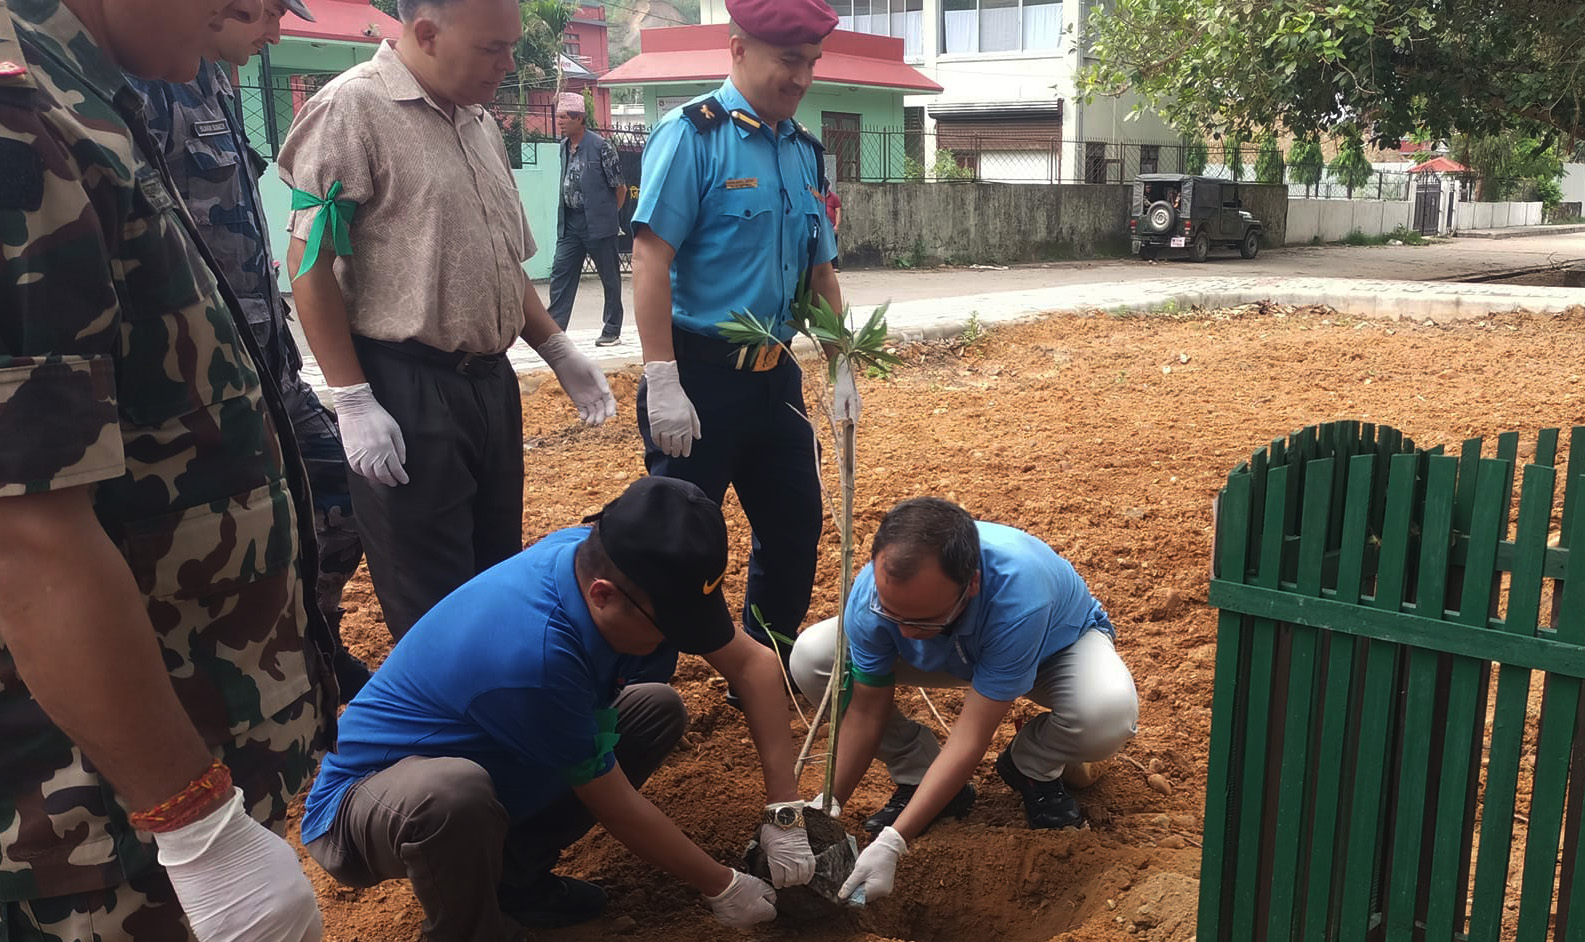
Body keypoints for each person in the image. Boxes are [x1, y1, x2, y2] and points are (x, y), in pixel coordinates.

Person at [0, 0, 339, 938]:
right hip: (89, 826)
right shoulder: (21, 114)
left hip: (160, 769)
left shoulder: (91, 87)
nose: (247, 9)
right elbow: (25, 537)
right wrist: (195, 828)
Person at [301, 476, 812, 940]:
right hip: (365, 806)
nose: (674, 642)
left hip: (486, 752)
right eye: (668, 627)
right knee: (452, 794)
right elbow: (612, 802)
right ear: (604, 596)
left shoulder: (608, 556)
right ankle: (473, 932)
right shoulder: (534, 656)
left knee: (654, 708)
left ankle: (515, 879)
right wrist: (723, 887)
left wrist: (784, 813)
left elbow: (755, 665)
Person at [279, 0, 619, 641]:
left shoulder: (478, 120)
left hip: (488, 386)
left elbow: (500, 262)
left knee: (494, 577)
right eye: (493, 48)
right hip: (408, 389)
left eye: (511, 46)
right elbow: (309, 263)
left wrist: (557, 349)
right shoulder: (351, 110)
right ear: (428, 34)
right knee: (434, 599)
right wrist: (351, 397)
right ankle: (448, 735)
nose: (510, 64)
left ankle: (496, 725)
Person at [128, 0, 373, 699]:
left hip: (267, 358)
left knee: (341, 493)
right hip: (194, 376)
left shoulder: (213, 78)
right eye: (261, 12)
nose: (273, 30)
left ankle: (309, 642)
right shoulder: (146, 78)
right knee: (215, 543)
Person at [631, 0, 856, 676]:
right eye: (790, 60)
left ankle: (768, 668)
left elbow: (820, 271)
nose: (803, 77)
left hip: (775, 376)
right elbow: (651, 259)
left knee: (794, 528)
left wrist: (842, 364)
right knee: (674, 542)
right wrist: (661, 376)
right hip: (699, 379)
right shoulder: (693, 136)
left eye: (811, 62)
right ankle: (646, 686)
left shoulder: (803, 152)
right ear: (738, 49)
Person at [789, 498, 1141, 903]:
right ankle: (920, 772)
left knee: (1106, 714)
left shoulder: (1021, 598)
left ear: (971, 584)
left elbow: (971, 736)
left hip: (1052, 650)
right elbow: (867, 711)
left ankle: (1031, 765)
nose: (902, 631)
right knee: (815, 657)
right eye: (892, 614)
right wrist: (826, 806)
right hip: (947, 648)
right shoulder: (875, 597)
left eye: (919, 618)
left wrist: (895, 841)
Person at [548, 92, 627, 346]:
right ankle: (555, 332)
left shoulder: (602, 146)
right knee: (561, 274)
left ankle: (612, 329)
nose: (558, 121)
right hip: (570, 224)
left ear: (579, 118)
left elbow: (620, 188)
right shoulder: (563, 147)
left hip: (599, 224)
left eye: (563, 117)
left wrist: (607, 217)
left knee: (610, 278)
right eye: (558, 116)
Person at [824, 185, 843, 271]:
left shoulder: (834, 197)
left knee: (833, 245)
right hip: (822, 225)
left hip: (831, 225)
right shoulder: (818, 196)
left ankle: (834, 266)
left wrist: (837, 225)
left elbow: (838, 212)